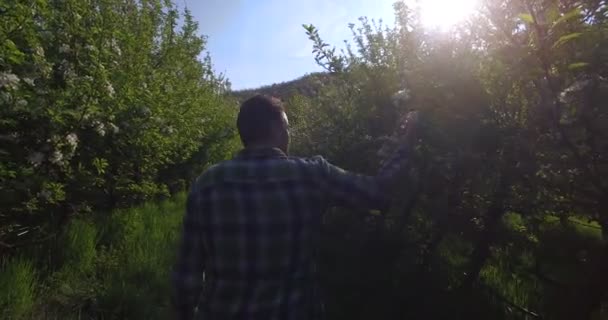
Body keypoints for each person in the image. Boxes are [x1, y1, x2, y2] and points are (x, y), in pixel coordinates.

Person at [172, 94, 417, 320]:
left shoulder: (207, 184)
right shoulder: (312, 175)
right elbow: (377, 193)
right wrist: (406, 143)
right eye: (287, 128)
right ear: (276, 129)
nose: (289, 136)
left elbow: (188, 273)